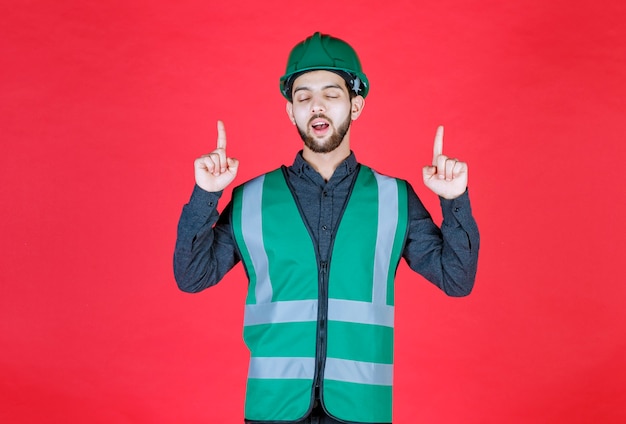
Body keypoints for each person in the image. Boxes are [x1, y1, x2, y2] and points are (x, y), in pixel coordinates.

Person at [174, 32, 479, 424]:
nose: (316, 106)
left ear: (356, 105)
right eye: (303, 96)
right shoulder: (251, 197)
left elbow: (457, 278)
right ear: (290, 112)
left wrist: (454, 200)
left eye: (331, 94)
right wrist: (205, 195)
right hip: (272, 409)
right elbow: (191, 275)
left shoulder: (394, 198)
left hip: (362, 410)